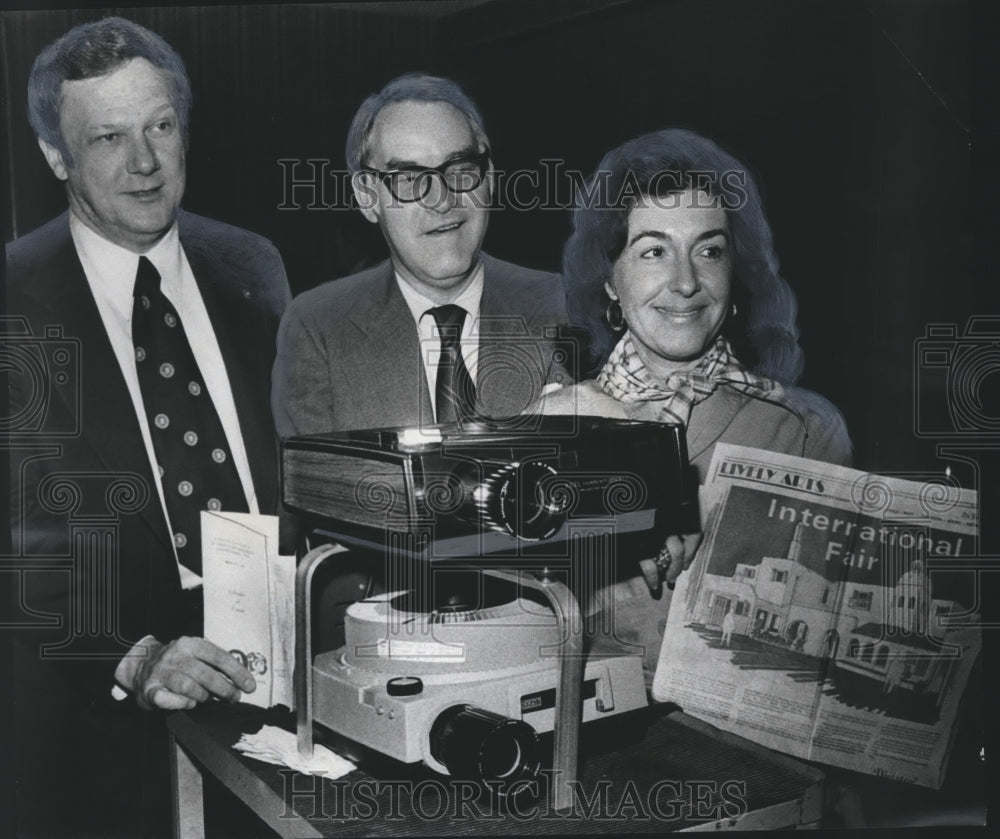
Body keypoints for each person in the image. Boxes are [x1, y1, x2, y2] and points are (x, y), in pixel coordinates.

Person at [5, 17, 290, 837]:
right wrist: (133, 655)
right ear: (56, 156)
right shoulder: (11, 300)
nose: (145, 162)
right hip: (99, 729)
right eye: (108, 137)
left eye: (161, 127)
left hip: (274, 697)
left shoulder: (254, 265)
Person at [536, 128, 852, 682]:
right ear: (610, 280)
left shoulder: (805, 427)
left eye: (709, 250)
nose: (685, 283)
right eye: (653, 251)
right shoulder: (556, 418)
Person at [272, 72, 568, 438]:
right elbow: (313, 488)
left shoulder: (566, 306)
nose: (441, 200)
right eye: (409, 180)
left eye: (460, 170)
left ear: (489, 175)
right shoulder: (318, 329)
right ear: (367, 197)